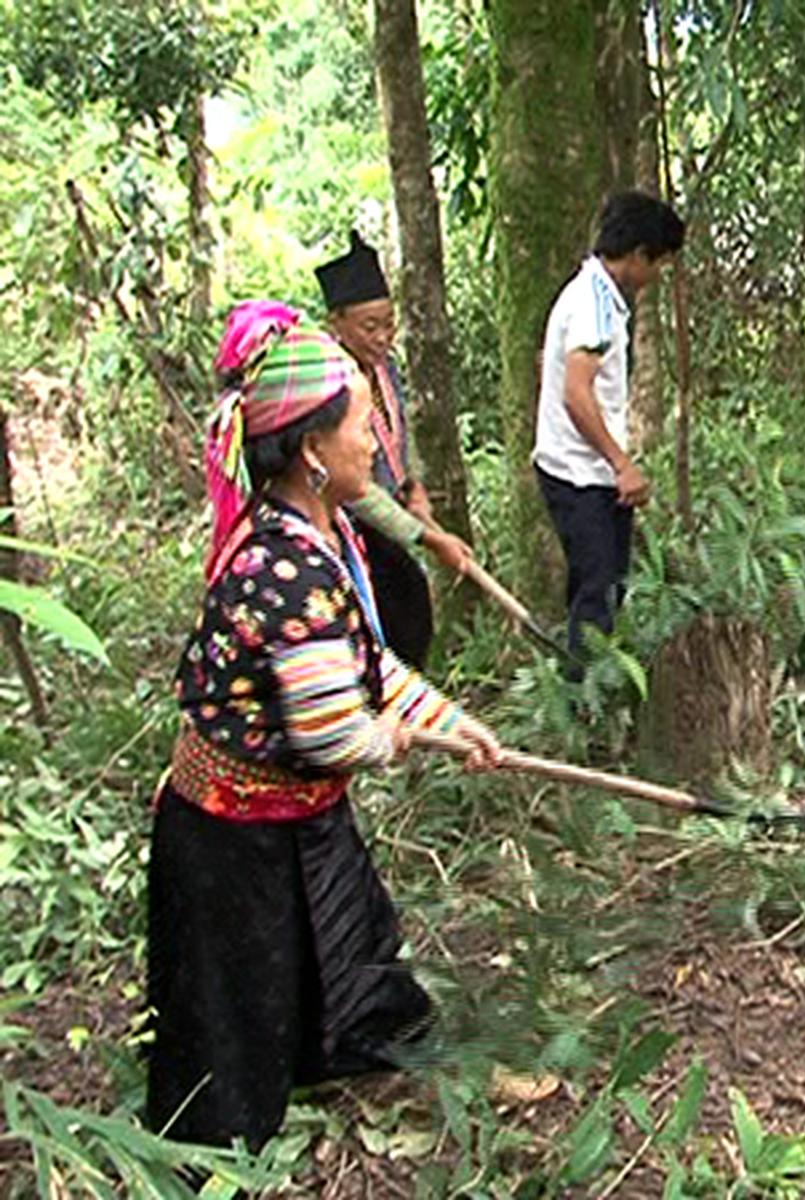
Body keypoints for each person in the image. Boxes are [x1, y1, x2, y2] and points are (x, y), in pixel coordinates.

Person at [145, 301, 502, 1150]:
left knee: (358, 944)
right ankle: (214, 1157)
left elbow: (369, 667)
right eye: (359, 427)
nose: (374, 443)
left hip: (301, 809)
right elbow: (331, 734)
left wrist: (453, 722)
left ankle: (381, 1054)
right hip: (230, 836)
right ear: (311, 450)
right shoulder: (283, 566)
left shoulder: (325, 533)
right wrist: (395, 740)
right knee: (233, 1027)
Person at [533, 191, 685, 670]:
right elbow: (576, 394)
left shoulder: (598, 297)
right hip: (578, 474)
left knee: (604, 589)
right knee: (597, 598)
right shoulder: (594, 303)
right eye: (659, 263)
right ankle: (581, 702)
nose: (657, 275)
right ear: (638, 255)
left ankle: (589, 690)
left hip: (588, 470)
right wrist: (622, 464)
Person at [315, 231, 473, 669]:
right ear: (336, 323)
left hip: (388, 518)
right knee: (389, 619)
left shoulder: (387, 370)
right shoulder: (331, 383)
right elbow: (354, 487)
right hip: (345, 525)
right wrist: (428, 537)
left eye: (389, 323)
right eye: (370, 327)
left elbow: (394, 439)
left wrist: (410, 485)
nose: (383, 336)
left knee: (410, 615)